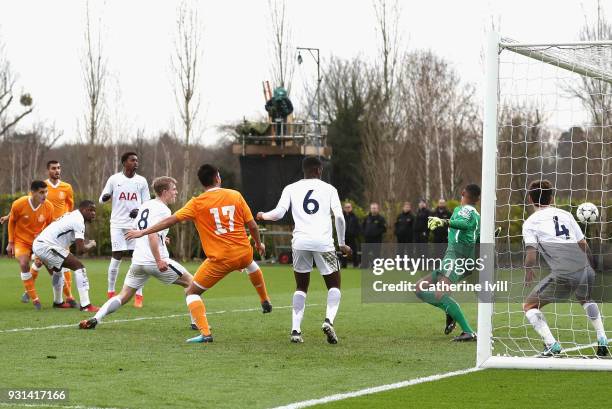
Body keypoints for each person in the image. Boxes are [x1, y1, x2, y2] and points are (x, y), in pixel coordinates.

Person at [125, 164, 271, 344]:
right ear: (218, 178)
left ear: (202, 183)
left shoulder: (197, 203)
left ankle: (205, 333)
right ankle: (265, 299)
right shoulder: (235, 195)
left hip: (220, 259)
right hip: (244, 253)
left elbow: (170, 221)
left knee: (192, 292)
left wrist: (143, 232)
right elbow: (253, 226)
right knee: (250, 264)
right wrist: (258, 244)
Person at [80, 177, 196, 330]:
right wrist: (159, 260)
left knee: (123, 296)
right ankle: (196, 322)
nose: (176, 192)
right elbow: (151, 234)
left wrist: (162, 238)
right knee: (193, 284)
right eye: (173, 189)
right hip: (155, 261)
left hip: (138, 262)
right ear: (164, 192)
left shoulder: (145, 205)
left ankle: (96, 318)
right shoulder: (163, 209)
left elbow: (141, 230)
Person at [257, 156, 351, 344]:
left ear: (304, 170)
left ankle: (296, 331)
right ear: (319, 170)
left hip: (299, 242)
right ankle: (328, 321)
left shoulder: (291, 188)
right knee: (334, 285)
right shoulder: (330, 189)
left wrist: (263, 215)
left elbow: (279, 213)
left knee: (301, 287)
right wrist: (341, 243)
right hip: (324, 243)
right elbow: (339, 218)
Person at [521, 180, 608, 357]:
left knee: (529, 305)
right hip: (584, 267)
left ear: (530, 198)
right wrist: (593, 266)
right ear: (552, 198)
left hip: (564, 272)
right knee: (586, 299)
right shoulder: (565, 214)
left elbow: (531, 254)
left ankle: (552, 345)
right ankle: (602, 339)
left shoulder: (530, 223)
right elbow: (583, 244)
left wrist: (528, 269)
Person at [415, 184, 481, 342]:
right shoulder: (474, 214)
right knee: (419, 288)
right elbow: (474, 236)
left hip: (457, 257)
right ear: (478, 199)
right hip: (453, 257)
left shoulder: (466, 210)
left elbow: (464, 225)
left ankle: (468, 332)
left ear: (463, 193)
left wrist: (444, 222)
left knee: (440, 294)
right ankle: (449, 309)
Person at [99, 152, 150, 307]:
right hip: (117, 224)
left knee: (138, 257)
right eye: (132, 160)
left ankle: (139, 296)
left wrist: (139, 211)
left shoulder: (141, 181)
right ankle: (111, 293)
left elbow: (147, 204)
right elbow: (101, 200)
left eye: (137, 160)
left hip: (135, 225)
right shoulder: (114, 179)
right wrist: (106, 197)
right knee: (117, 256)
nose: (136, 163)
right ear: (124, 163)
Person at [32, 200, 99, 312]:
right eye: (91, 210)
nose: (93, 213)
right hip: (46, 246)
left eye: (94, 211)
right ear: (83, 210)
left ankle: (58, 302)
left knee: (57, 270)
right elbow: (81, 250)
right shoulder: (78, 221)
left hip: (41, 244)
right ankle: (86, 305)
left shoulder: (73, 215)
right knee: (79, 267)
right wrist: (91, 244)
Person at [6, 181, 55, 309]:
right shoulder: (18, 204)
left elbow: (50, 227)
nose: (45, 195)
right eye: (41, 192)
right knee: (23, 263)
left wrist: (46, 241)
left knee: (51, 266)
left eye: (46, 192)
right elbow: (11, 222)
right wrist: (10, 243)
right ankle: (35, 300)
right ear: (32, 193)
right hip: (21, 241)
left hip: (38, 241)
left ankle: (61, 296)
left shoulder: (49, 207)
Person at [361, 203, 386, 267]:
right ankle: (364, 265)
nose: (373, 209)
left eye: (375, 208)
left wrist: (376, 233)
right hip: (367, 239)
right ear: (370, 209)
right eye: (372, 208)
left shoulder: (381, 219)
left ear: (377, 209)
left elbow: (383, 229)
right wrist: (365, 233)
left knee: (376, 253)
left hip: (377, 239)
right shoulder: (366, 218)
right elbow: (362, 227)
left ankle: (375, 266)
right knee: (365, 253)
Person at [341, 202, 361, 268]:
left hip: (352, 237)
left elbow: (358, 227)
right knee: (344, 252)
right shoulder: (341, 217)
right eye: (346, 207)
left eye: (349, 207)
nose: (347, 208)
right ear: (344, 208)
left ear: (351, 208)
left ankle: (356, 265)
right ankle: (343, 265)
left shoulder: (355, 217)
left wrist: (355, 234)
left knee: (354, 251)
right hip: (344, 237)